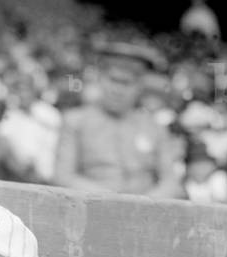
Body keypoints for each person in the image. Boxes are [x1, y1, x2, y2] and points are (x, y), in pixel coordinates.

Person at [53, 40, 180, 198]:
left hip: (145, 213)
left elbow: (171, 183)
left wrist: (143, 204)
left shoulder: (154, 127)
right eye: (113, 80)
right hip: (91, 209)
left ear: (139, 86)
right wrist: (112, 200)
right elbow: (63, 176)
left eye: (127, 83)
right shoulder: (75, 121)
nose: (118, 90)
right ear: (100, 79)